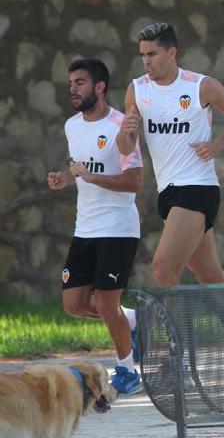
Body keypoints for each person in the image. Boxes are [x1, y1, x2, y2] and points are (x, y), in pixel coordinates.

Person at [115, 22, 224, 385]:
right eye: (142, 55)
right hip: (169, 194)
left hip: (198, 188)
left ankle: (180, 359)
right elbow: (126, 150)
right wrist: (127, 133)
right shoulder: (136, 91)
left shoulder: (200, 85)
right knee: (210, 275)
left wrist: (219, 145)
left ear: (172, 52)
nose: (146, 61)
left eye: (153, 54)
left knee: (163, 270)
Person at [48, 58, 142, 394]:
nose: (73, 89)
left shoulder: (122, 127)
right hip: (84, 229)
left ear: (99, 87)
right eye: (71, 83)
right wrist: (65, 178)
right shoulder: (72, 126)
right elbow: (81, 170)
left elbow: (134, 182)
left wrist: (91, 177)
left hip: (118, 229)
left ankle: (127, 371)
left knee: (105, 303)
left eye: (80, 82)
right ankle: (132, 320)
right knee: (73, 304)